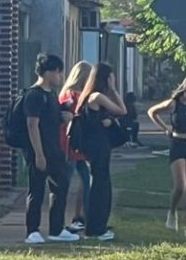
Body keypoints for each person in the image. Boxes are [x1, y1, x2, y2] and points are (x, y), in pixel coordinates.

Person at [23, 54, 80, 244]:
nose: (60, 77)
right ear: (48, 73)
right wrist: (39, 154)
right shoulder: (34, 95)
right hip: (38, 150)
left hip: (55, 149)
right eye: (57, 72)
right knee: (36, 190)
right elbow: (32, 125)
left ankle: (56, 229)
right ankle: (32, 231)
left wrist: (64, 117)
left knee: (60, 187)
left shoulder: (52, 95)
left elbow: (51, 121)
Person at [148, 76, 186, 237]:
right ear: (183, 90)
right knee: (181, 185)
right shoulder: (174, 103)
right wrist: (165, 128)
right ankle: (172, 212)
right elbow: (152, 112)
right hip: (178, 143)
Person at [76, 62, 127, 241]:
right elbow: (122, 110)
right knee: (100, 186)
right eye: (111, 77)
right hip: (98, 146)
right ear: (106, 78)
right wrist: (113, 89)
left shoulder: (88, 96)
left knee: (99, 184)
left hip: (94, 146)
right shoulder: (96, 96)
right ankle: (96, 228)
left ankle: (96, 225)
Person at [59, 61, 92, 234]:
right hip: (71, 145)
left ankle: (82, 217)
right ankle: (70, 220)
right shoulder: (73, 96)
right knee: (70, 181)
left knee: (85, 181)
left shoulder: (68, 95)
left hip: (74, 145)